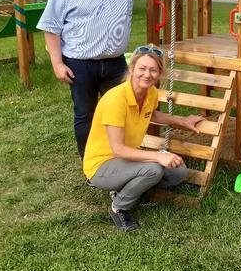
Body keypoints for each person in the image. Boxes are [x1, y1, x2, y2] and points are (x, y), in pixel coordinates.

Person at [37, 0, 212, 158]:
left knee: (128, 109)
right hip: (80, 63)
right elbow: (51, 25)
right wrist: (58, 64)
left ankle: (124, 155)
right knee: (85, 115)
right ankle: (92, 164)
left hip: (115, 63)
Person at [83, 45, 204, 232]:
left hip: (126, 160)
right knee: (154, 169)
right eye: (142, 68)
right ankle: (119, 206)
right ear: (132, 70)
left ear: (159, 74)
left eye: (153, 70)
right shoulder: (115, 99)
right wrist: (158, 156)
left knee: (178, 172)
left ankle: (131, 190)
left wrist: (183, 121)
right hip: (102, 165)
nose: (147, 74)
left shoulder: (151, 93)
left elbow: (153, 115)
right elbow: (118, 150)